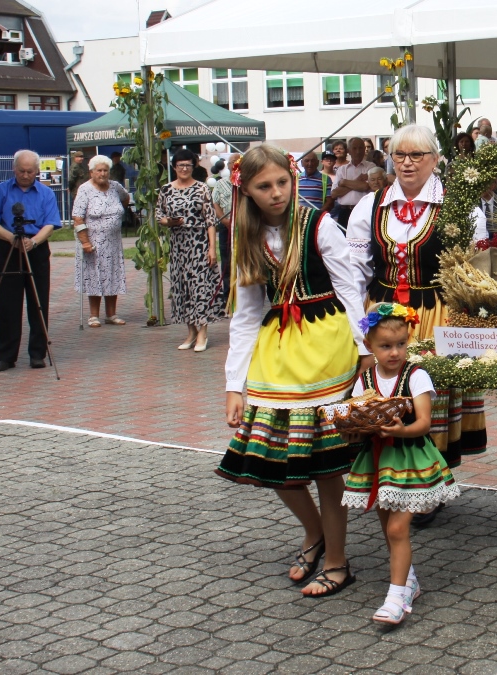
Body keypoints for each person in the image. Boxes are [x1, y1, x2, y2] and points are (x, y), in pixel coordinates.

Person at [217, 144, 371, 597]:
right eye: (264, 187)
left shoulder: (318, 224)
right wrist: (234, 384)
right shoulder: (244, 235)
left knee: (325, 468)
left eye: (282, 182)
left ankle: (339, 561)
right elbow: (246, 314)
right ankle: (316, 531)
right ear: (246, 190)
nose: (277, 193)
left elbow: (349, 288)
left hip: (326, 347)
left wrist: (364, 351)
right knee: (273, 458)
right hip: (278, 354)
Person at [347, 125, 488, 524]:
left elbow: (474, 272)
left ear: (435, 159)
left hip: (436, 311)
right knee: (387, 392)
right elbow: (355, 272)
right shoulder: (370, 206)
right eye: (399, 155)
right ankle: (390, 475)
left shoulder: (460, 206)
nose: (407, 163)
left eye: (417, 155)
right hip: (382, 313)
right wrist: (359, 331)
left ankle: (428, 482)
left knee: (429, 394)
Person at [341, 303, 461, 624]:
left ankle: (396, 598)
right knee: (387, 527)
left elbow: (424, 422)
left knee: (397, 527)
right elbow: (357, 414)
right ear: (369, 346)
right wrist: (353, 430)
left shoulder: (416, 375)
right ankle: (408, 581)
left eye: (401, 344)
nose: (394, 353)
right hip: (377, 459)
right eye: (385, 346)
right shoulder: (364, 378)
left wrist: (401, 429)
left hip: (410, 458)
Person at [0, 150, 59, 371]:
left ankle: (37, 353)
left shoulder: (46, 193)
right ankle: (6, 355)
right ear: (14, 169)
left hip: (36, 249)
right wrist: (11, 238)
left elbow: (51, 223)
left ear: (37, 171)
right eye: (21, 171)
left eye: (30, 171)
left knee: (38, 301)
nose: (26, 175)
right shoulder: (1, 190)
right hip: (8, 247)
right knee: (7, 303)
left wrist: (34, 241)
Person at [157, 149, 223, 352]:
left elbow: (211, 220)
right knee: (182, 288)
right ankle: (191, 331)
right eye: (180, 165)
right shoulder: (166, 189)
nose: (184, 169)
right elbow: (159, 215)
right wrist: (169, 221)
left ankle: (203, 332)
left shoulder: (202, 188)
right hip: (178, 245)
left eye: (188, 165)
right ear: (174, 167)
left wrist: (212, 248)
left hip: (199, 243)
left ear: (193, 167)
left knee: (200, 288)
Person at [72, 155, 129, 327]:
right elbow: (78, 218)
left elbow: (125, 199)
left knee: (112, 274)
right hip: (92, 241)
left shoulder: (115, 187)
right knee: (94, 276)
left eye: (105, 170)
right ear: (91, 172)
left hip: (113, 241)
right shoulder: (84, 189)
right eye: (99, 170)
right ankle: (93, 315)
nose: (103, 174)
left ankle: (111, 314)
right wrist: (85, 242)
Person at [212, 153, 240, 308]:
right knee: (227, 262)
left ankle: (244, 296)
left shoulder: (246, 182)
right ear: (228, 166)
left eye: (237, 161)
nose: (234, 164)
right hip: (226, 225)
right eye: (232, 162)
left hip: (244, 226)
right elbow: (215, 203)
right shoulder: (220, 183)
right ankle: (228, 298)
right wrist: (224, 220)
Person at [329, 137, 375, 228]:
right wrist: (357, 182)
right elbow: (334, 193)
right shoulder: (342, 170)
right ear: (349, 151)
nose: (358, 151)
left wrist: (344, 182)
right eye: (354, 148)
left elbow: (365, 186)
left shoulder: (371, 167)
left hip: (364, 211)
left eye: (360, 148)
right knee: (344, 240)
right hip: (345, 212)